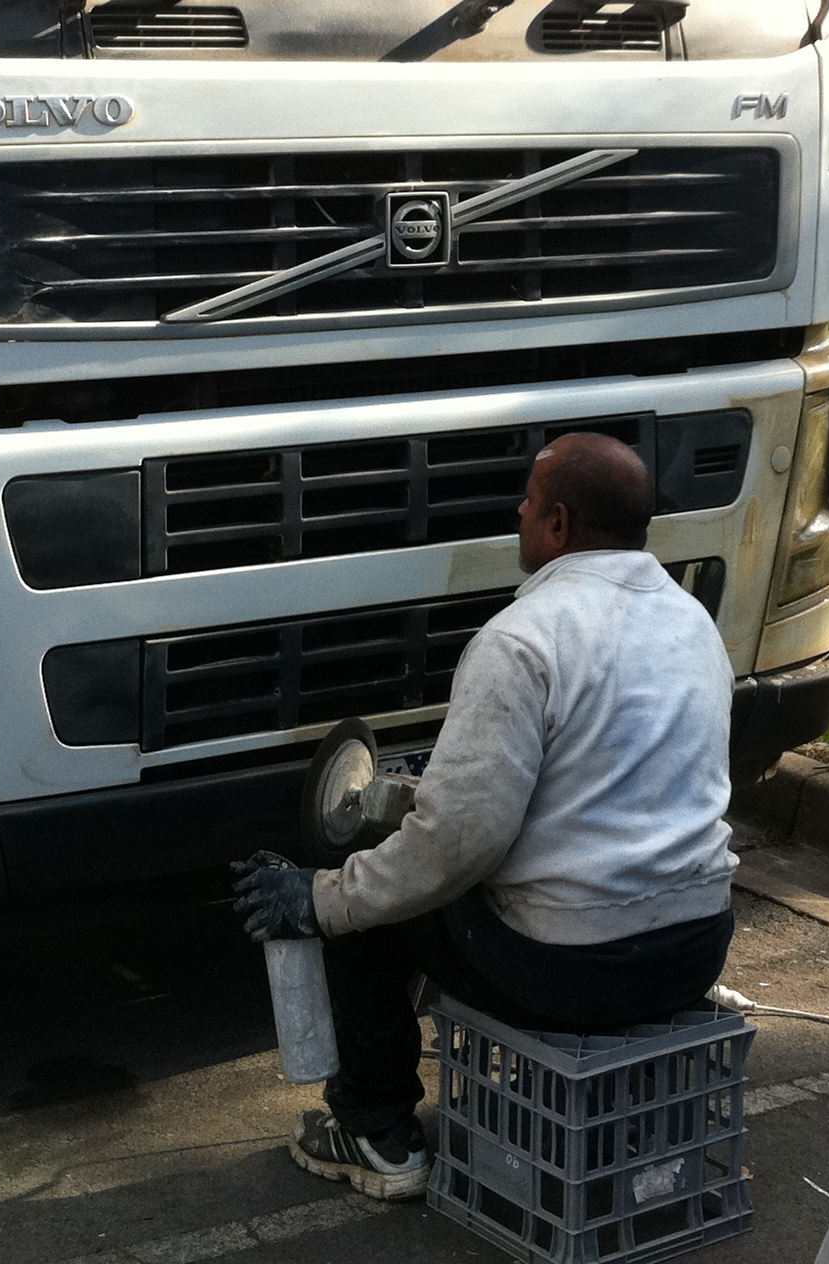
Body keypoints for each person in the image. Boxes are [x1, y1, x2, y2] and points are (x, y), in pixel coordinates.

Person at [231, 431, 739, 1202]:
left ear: (558, 524)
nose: (519, 515)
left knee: (359, 880)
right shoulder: (692, 621)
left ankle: (375, 1132)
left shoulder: (521, 639)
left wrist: (321, 899)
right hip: (694, 949)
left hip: (571, 971)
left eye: (529, 504)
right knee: (395, 871)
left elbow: (457, 843)